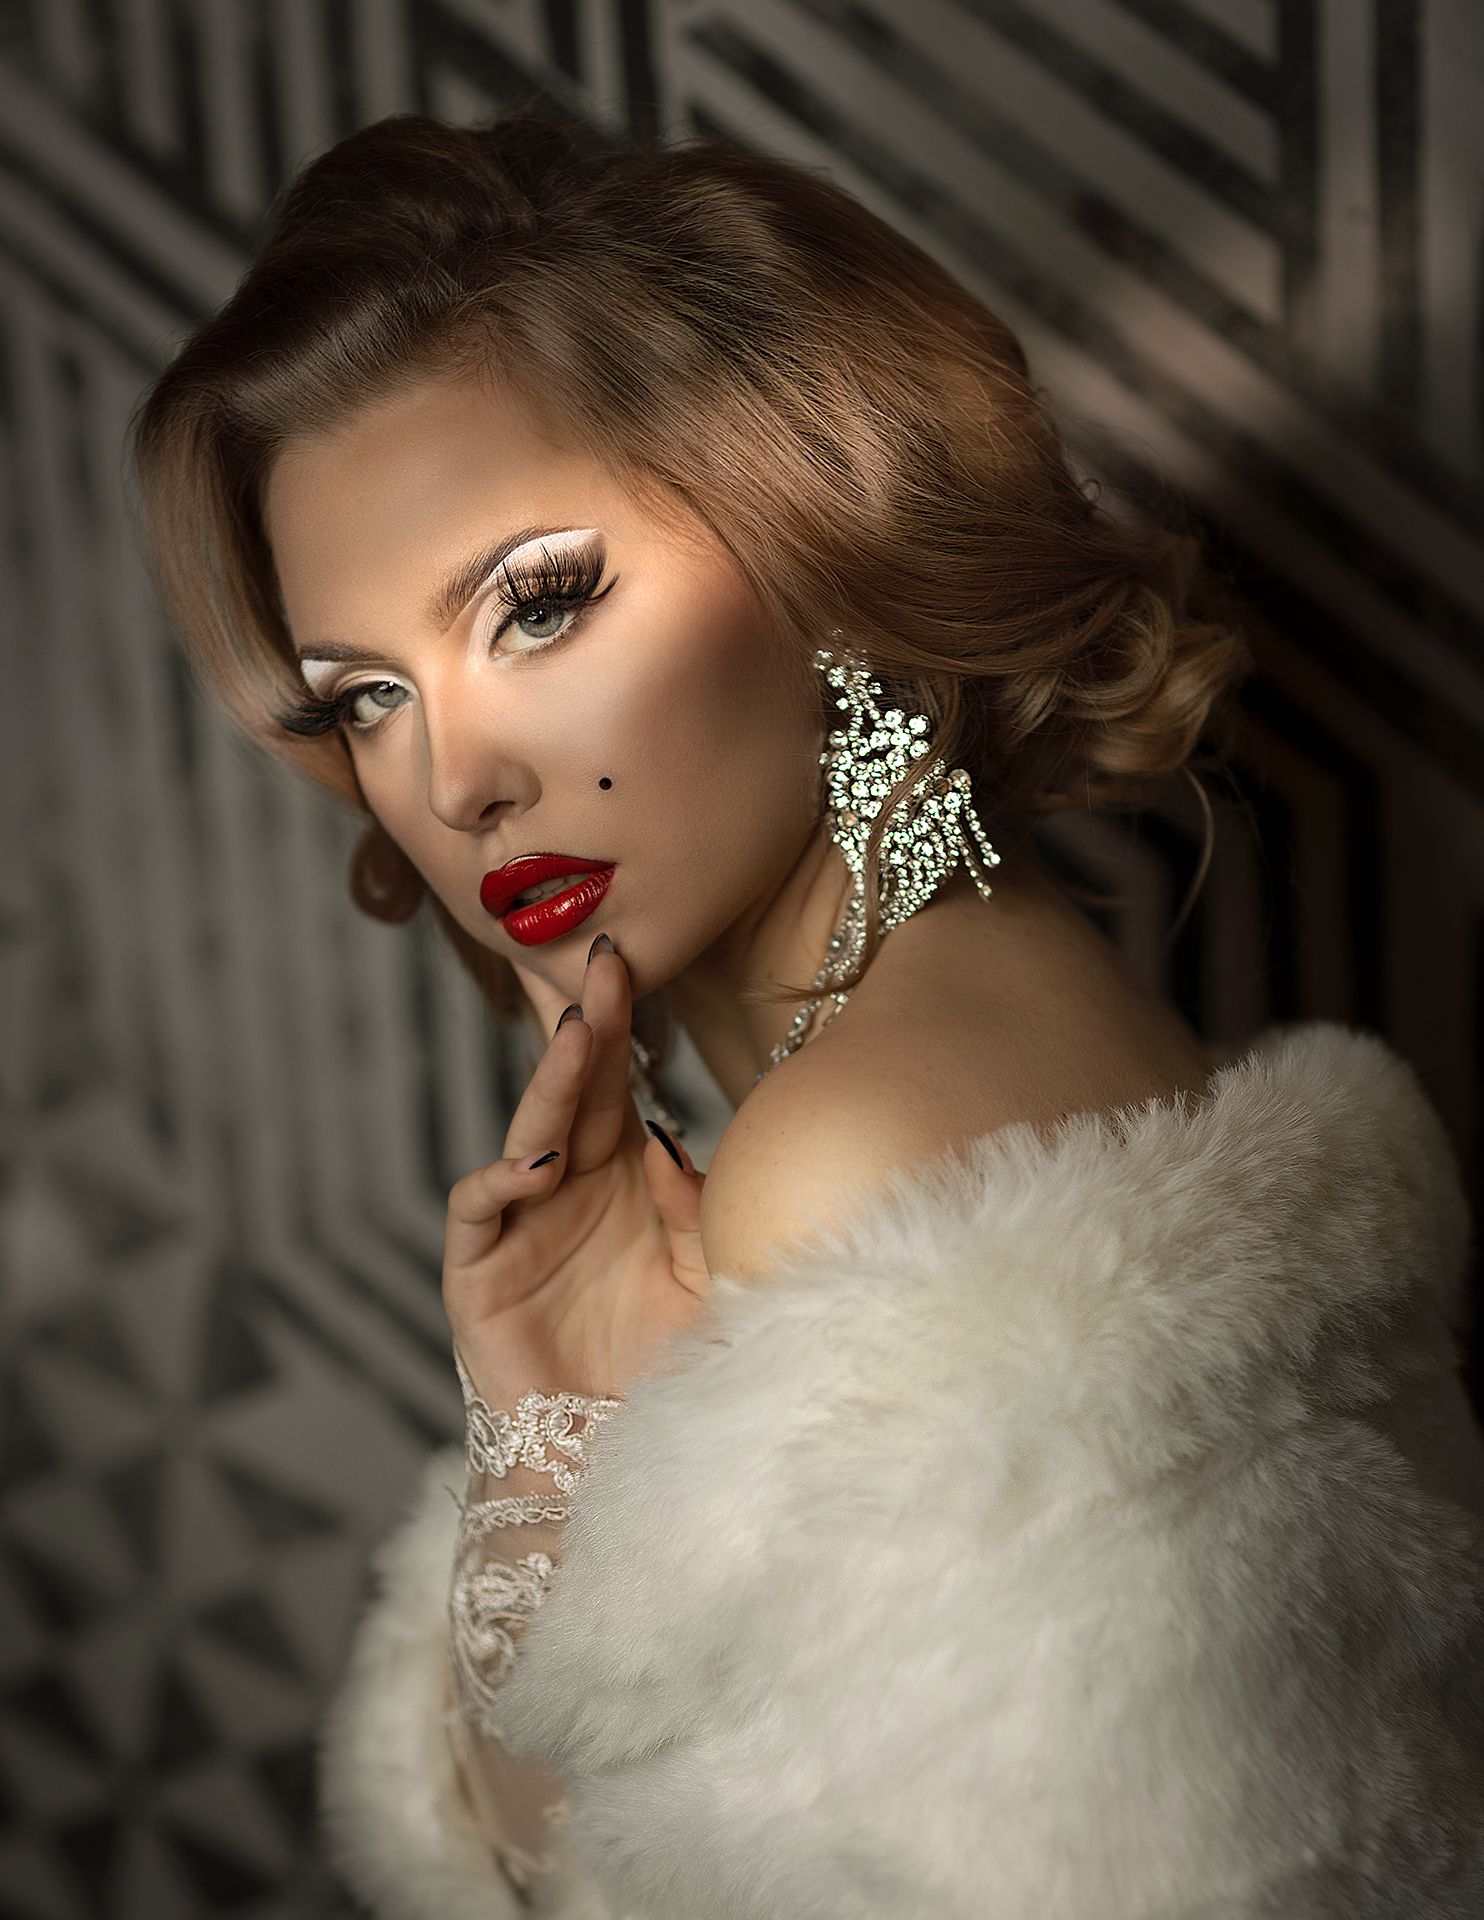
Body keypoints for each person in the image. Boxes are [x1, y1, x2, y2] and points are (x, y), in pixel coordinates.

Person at [127, 104, 1484, 1920]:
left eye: (539, 606)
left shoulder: (853, 1152)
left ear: (823, 546)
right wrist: (555, 1437)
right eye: (368, 693)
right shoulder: (987, 1031)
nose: (454, 779)